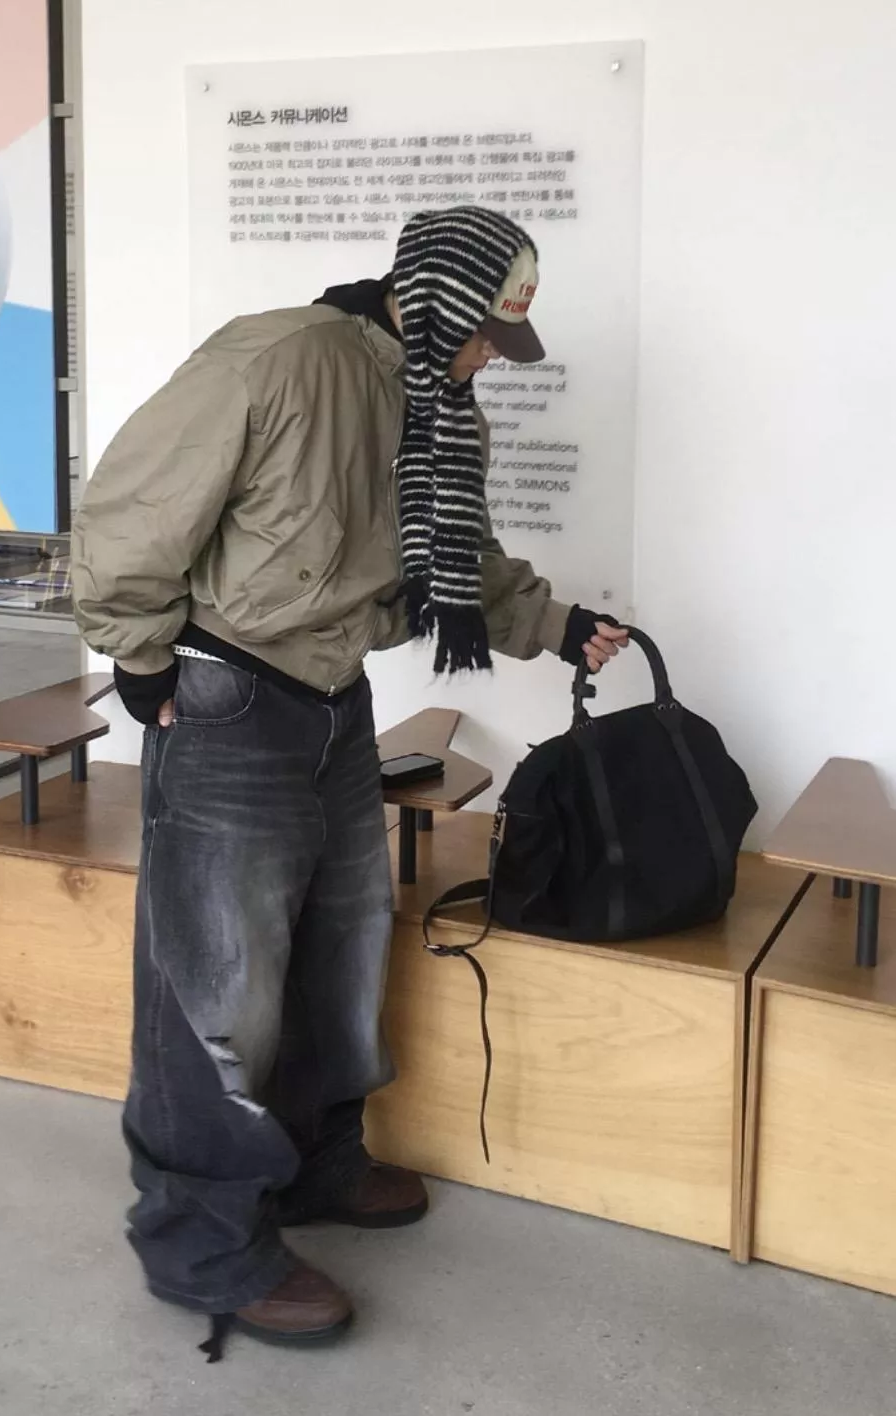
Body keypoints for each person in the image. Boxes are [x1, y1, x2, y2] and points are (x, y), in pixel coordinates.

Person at [71, 206, 628, 1360]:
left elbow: (460, 560)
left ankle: (314, 1165)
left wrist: (558, 624)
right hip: (227, 695)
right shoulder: (278, 358)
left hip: (332, 700)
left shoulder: (438, 411)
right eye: (481, 335)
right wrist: (137, 655)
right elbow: (136, 503)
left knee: (340, 943)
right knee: (215, 982)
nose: (488, 360)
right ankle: (200, 1242)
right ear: (433, 304)